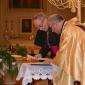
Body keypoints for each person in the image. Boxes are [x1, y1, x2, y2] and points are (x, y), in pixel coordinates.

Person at [45, 14, 85, 85]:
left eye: (51, 28)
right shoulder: (72, 27)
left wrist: (53, 61)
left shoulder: (68, 32)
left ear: (55, 24)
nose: (53, 31)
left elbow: (64, 55)